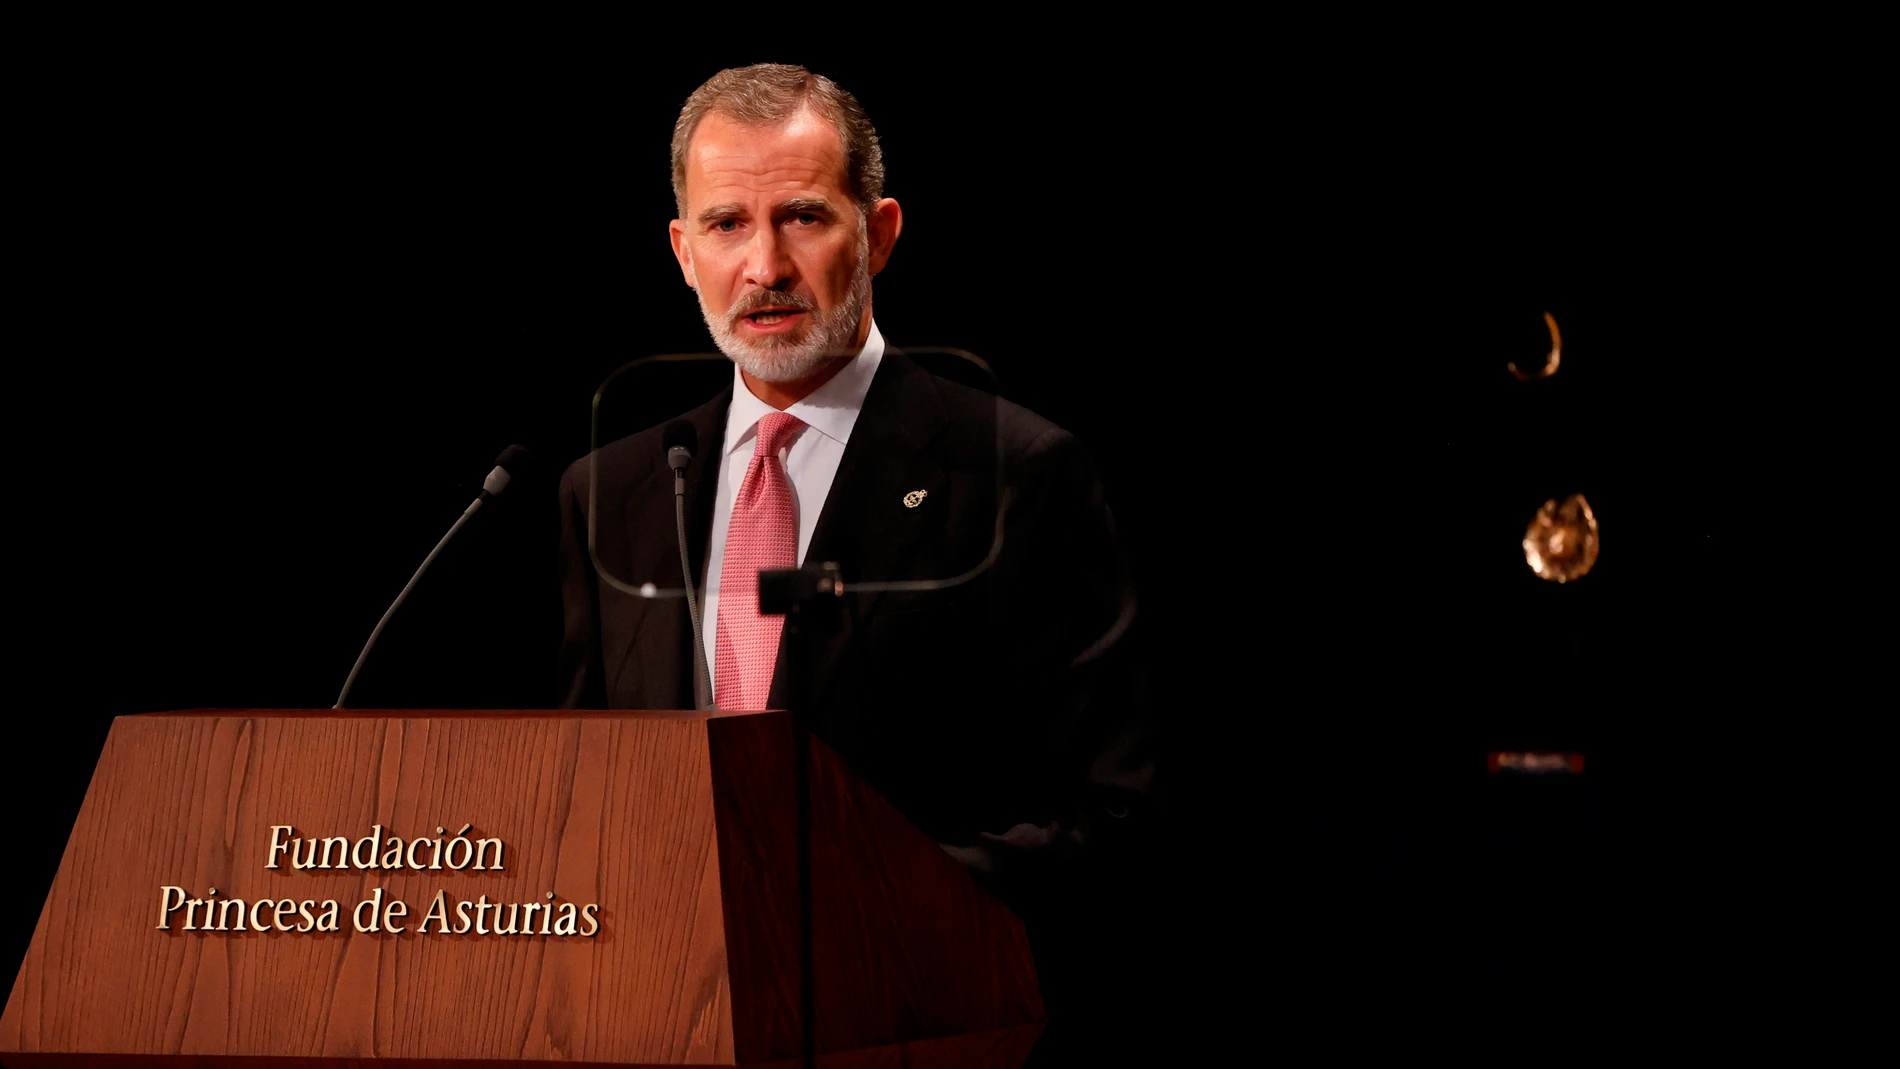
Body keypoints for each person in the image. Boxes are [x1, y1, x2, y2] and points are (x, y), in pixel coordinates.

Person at [555, 63, 1148, 918]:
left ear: (878, 234)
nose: (765, 266)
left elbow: (1111, 816)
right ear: (685, 253)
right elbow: (582, 800)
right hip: (673, 1024)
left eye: (801, 217)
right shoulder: (610, 494)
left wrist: (861, 898)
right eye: (727, 224)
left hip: (919, 1019)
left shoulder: (1018, 473)